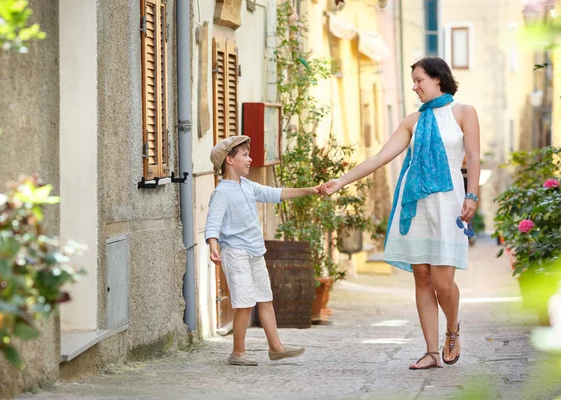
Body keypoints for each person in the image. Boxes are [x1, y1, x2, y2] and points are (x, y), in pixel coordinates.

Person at [321, 56, 481, 369]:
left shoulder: (464, 112)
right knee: (422, 277)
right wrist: (340, 181)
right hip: (416, 203)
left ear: (438, 79)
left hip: (448, 201)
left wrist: (472, 195)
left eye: (419, 80)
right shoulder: (412, 121)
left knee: (443, 282)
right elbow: (381, 157)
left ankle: (452, 330)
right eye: (414, 81)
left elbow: (473, 157)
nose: (414, 86)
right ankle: (431, 351)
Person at [205, 135, 320, 366]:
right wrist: (214, 247)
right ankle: (238, 353)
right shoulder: (221, 192)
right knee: (245, 303)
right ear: (229, 160)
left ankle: (276, 348)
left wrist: (312, 190)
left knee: (265, 299)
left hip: (256, 252)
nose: (250, 159)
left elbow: (275, 194)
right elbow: (213, 223)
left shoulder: (248, 186)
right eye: (245, 155)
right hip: (235, 253)